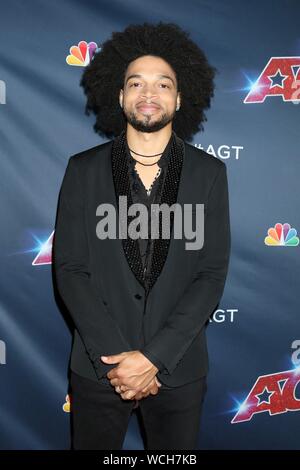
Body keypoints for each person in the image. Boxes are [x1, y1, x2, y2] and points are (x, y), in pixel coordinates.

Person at [53, 21, 231, 450]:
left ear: (180, 97)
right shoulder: (83, 170)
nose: (149, 93)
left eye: (163, 84)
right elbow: (71, 269)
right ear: (120, 96)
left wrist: (154, 359)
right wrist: (120, 361)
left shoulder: (209, 173)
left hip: (178, 368)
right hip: (99, 367)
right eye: (136, 83)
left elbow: (210, 274)